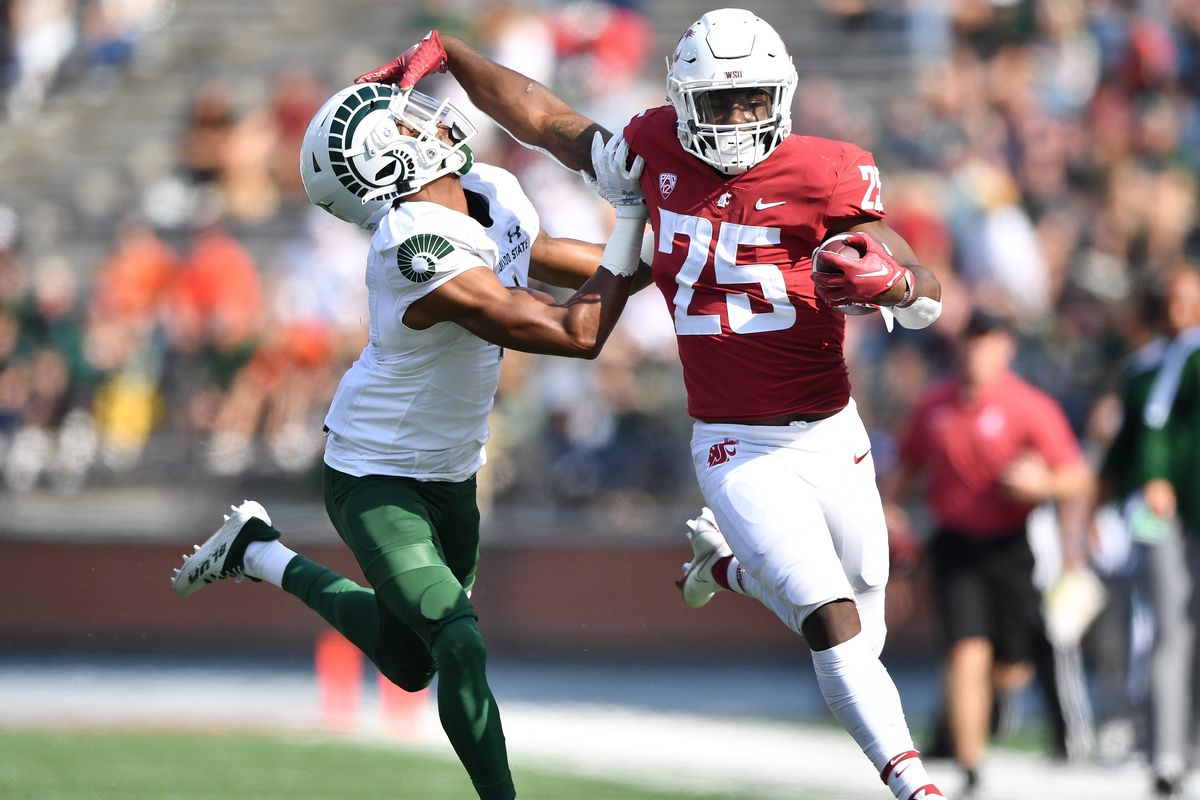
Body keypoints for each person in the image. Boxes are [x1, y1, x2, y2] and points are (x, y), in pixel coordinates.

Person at [357, 11, 946, 799]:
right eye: (719, 102)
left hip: (834, 431)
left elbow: (916, 276)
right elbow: (550, 122)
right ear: (681, 98)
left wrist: (904, 290)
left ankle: (727, 569)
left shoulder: (831, 170)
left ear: (782, 95)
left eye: (752, 100)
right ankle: (916, 787)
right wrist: (453, 54)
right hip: (734, 441)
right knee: (828, 615)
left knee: (862, 630)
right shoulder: (656, 148)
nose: (737, 119)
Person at [170, 80, 648, 800]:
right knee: (458, 639)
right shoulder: (414, 249)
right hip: (375, 474)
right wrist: (634, 220)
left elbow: (546, 255)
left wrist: (681, 260)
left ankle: (259, 552)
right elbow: (570, 331)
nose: (428, 123)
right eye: (404, 125)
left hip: (452, 471)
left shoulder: (486, 186)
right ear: (386, 163)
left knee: (411, 662)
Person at [884, 308, 1092, 794]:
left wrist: (1042, 483)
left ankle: (993, 700)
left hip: (1010, 547)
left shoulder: (1029, 406)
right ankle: (970, 767)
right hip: (955, 544)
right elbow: (903, 473)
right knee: (965, 652)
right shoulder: (934, 407)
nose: (977, 352)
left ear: (1006, 349)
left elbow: (1076, 476)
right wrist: (891, 520)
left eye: (988, 342)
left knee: (1012, 666)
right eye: (970, 342)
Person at [1135, 264, 1200, 797]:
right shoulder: (1176, 358)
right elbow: (1154, 424)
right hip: (1176, 514)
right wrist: (1155, 476)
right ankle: (1168, 753)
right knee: (1172, 630)